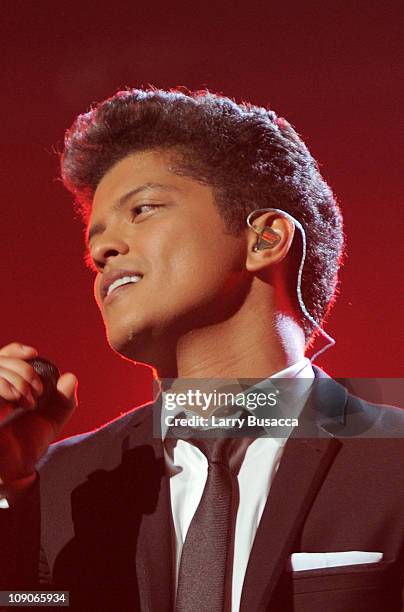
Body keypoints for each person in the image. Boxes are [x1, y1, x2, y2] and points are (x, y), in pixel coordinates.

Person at [0, 88, 403, 612]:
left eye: (142, 209)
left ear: (265, 239)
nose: (100, 251)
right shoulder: (60, 483)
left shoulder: (393, 458)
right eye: (95, 239)